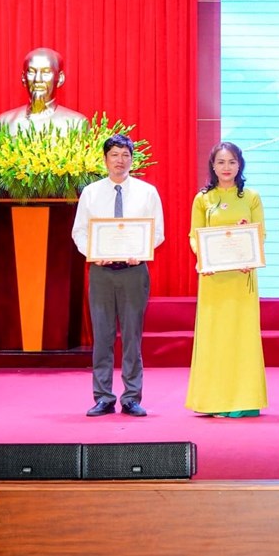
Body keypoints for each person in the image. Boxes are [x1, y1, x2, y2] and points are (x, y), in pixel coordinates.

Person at [71, 134, 165, 417]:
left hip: (134, 272)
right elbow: (79, 231)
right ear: (105, 159)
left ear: (132, 160)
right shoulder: (91, 192)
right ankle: (103, 397)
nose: (120, 160)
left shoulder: (147, 192)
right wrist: (93, 252)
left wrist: (142, 250)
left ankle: (131, 397)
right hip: (101, 272)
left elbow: (157, 232)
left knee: (132, 337)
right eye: (114, 155)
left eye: (125, 155)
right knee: (102, 336)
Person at [185, 142, 268, 418]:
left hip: (242, 278)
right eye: (221, 162)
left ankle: (245, 400)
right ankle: (215, 401)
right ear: (212, 166)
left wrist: (249, 254)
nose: (226, 167)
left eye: (232, 162)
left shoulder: (251, 197)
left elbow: (260, 234)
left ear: (239, 165)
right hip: (213, 279)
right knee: (216, 338)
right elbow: (194, 236)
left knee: (242, 338)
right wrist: (203, 259)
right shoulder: (203, 199)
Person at [0, 47, 87, 133]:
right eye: (31, 72)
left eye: (46, 72)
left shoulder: (77, 124)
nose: (38, 79)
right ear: (23, 78)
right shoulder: (4, 122)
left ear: (60, 78)